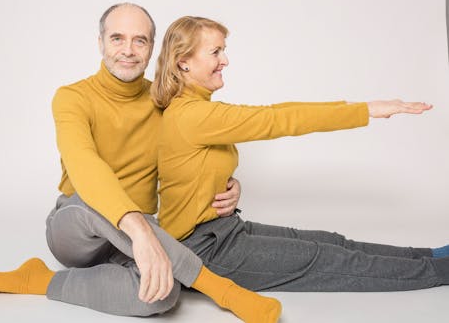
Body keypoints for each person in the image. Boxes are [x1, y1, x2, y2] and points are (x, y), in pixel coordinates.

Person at [0, 4, 282, 323]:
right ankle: (223, 291)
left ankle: (36, 279)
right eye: (117, 38)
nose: (128, 50)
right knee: (92, 201)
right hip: (77, 227)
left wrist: (226, 182)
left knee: (162, 294)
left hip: (132, 239)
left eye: (140, 40)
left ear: (151, 49)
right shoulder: (72, 97)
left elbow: (191, 158)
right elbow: (84, 165)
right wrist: (140, 231)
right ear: (101, 43)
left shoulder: (163, 104)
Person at [152, 16, 449, 292]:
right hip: (202, 249)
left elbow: (277, 111)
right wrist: (366, 111)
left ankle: (433, 256)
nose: (225, 60)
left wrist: (361, 105)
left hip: (223, 230)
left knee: (334, 243)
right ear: (184, 62)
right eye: (215, 52)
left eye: (223, 51)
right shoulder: (192, 115)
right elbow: (279, 121)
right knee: (332, 259)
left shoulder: (198, 109)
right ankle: (442, 270)